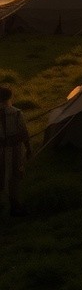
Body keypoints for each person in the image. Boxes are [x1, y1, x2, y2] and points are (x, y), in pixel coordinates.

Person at [0, 85, 32, 217]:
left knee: (10, 176)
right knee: (13, 177)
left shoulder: (16, 113)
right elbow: (24, 133)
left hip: (10, 149)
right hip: (12, 150)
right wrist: (28, 148)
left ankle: (14, 206)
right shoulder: (16, 112)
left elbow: (23, 133)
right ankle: (14, 205)